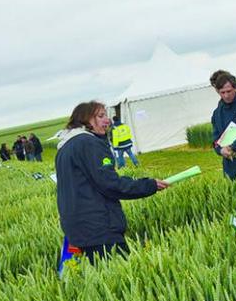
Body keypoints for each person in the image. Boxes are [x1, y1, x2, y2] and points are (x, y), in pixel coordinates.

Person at [55, 101, 167, 262]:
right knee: (122, 275)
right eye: (100, 116)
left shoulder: (65, 148)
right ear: (85, 120)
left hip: (77, 228)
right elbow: (109, 183)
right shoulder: (88, 143)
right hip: (98, 227)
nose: (107, 120)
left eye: (106, 115)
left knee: (102, 277)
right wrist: (149, 185)